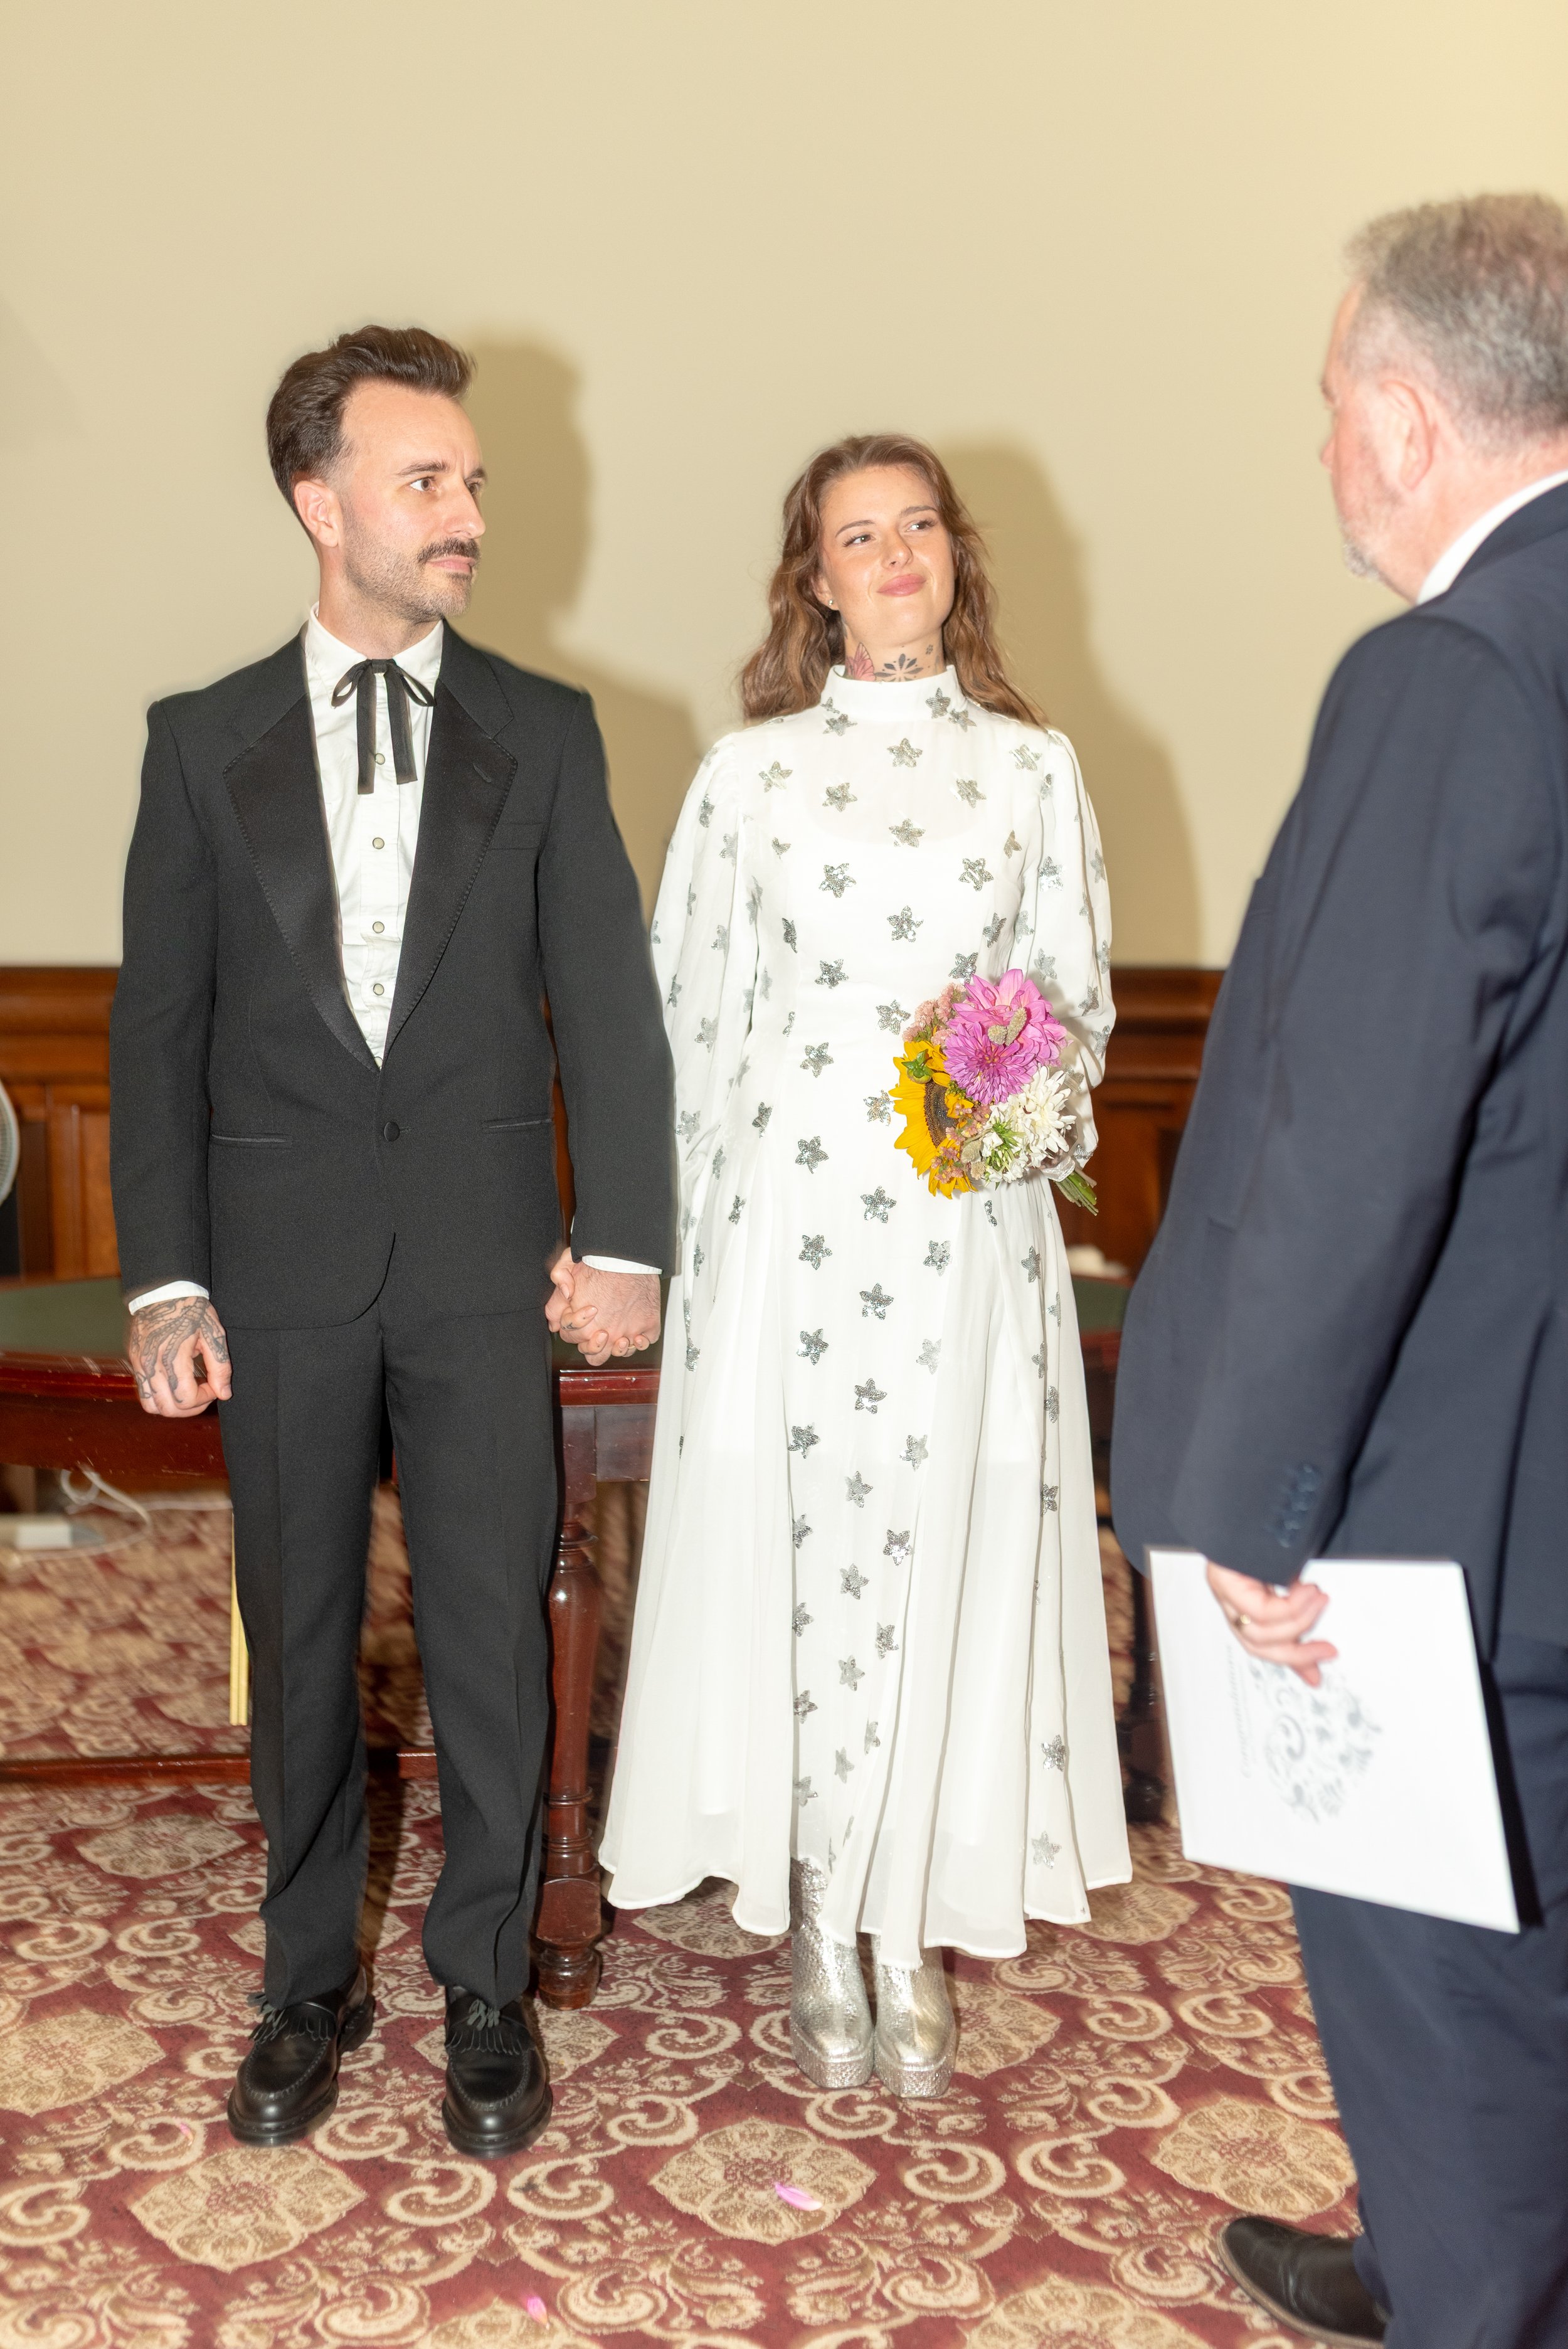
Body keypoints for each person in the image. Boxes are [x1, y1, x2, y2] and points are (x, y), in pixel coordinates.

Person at [110, 326, 672, 2160]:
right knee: (298, 1632)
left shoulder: (548, 730)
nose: (465, 515)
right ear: (317, 499)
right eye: (425, 479)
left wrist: (628, 1242)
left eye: (473, 480)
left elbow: (607, 1008)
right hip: (271, 1268)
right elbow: (158, 1030)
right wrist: (168, 1275)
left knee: (495, 1635)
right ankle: (303, 1981)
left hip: (483, 1260)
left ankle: (487, 1980)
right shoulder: (199, 747)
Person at [1113, 196, 1568, 2348]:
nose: (1318, 452)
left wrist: (1256, 1501)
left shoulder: (1444, 672)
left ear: (1399, 416)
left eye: (1322, 406)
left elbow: (1355, 1137)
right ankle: (1427, 2251)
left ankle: (1464, 2285)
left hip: (1448, 1510)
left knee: (1443, 1992)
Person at [598, 433, 1131, 2096]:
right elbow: (685, 1019)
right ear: (811, 578)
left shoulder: (1032, 773)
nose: (892, 552)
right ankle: (822, 1898)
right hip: (787, 1221)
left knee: (943, 1539)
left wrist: (1000, 1107)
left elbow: (1071, 999)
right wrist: (666, 1250)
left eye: (917, 526)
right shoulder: (745, 778)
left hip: (961, 1216)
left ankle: (914, 1913)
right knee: (810, 1538)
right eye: (855, 532)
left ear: (952, 561)